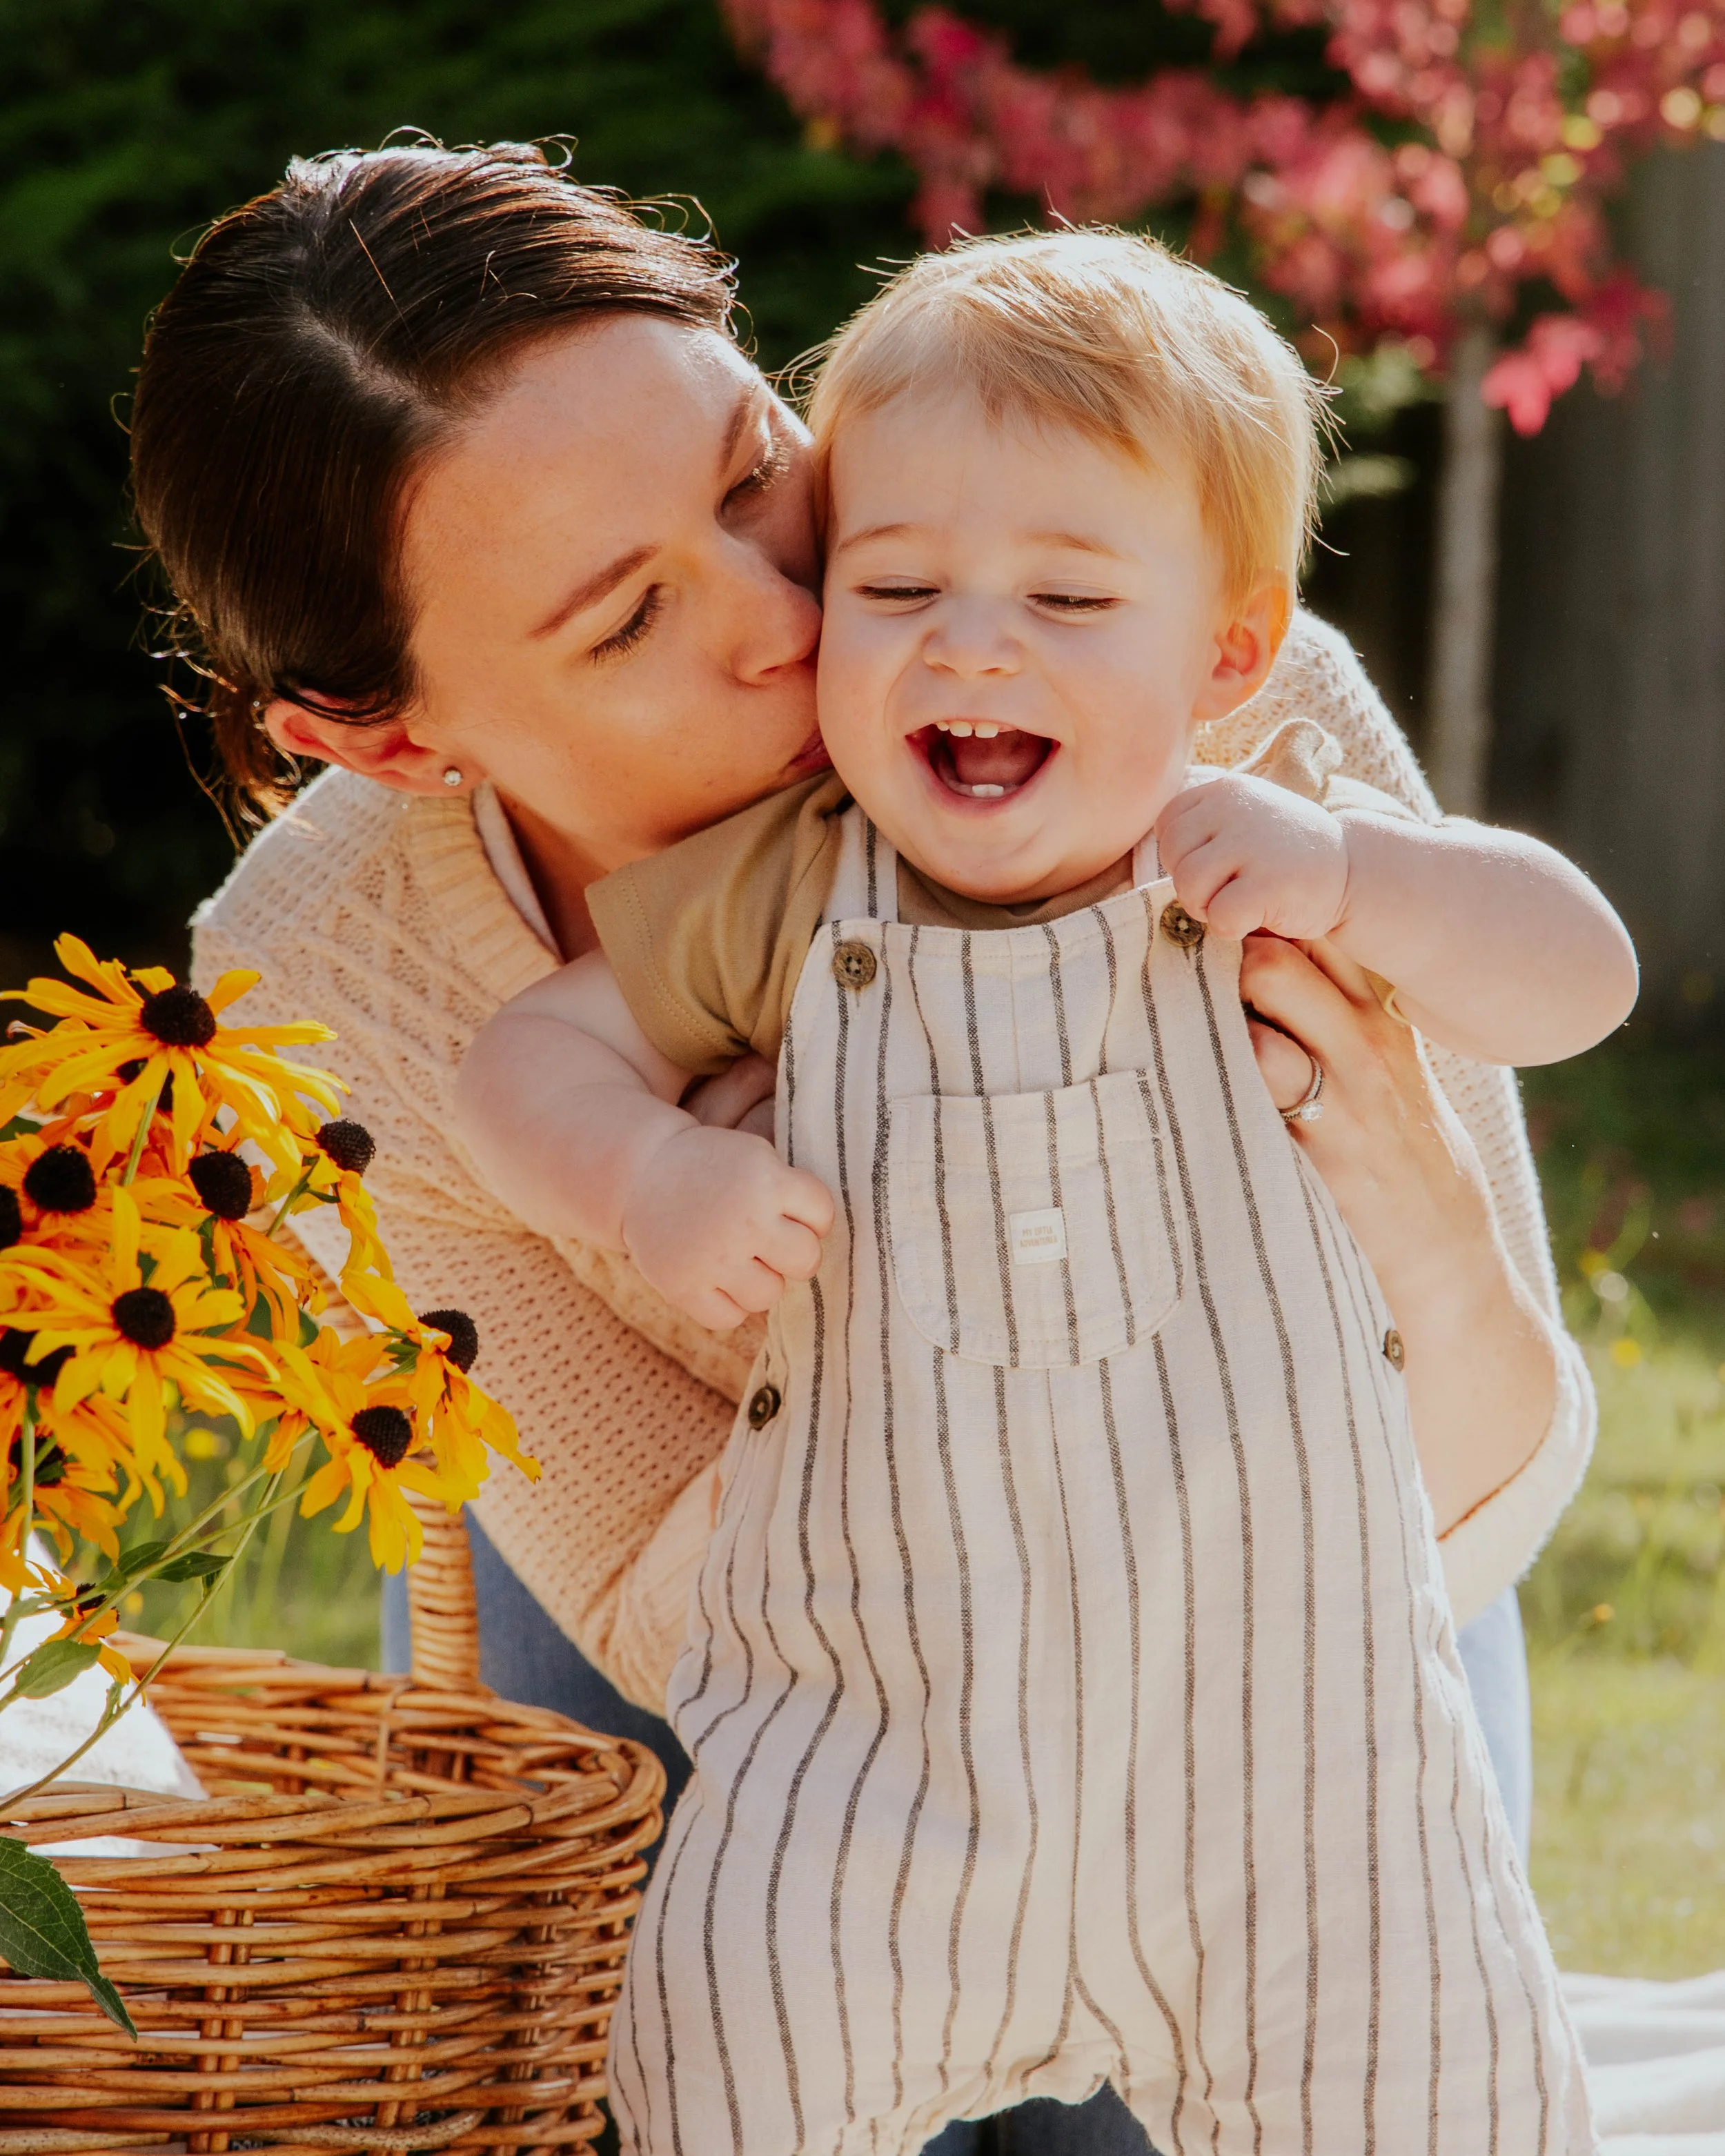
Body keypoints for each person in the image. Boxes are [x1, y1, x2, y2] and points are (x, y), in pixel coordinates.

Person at [128, 141, 1593, 2155]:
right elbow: (645, 1577)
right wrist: (818, 1219)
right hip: (746, 1623)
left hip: (1273, 1594)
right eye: (632, 612)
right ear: (383, 736)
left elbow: (1483, 1444)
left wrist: (1405, 1212)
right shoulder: (325, 981)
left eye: (751, 472)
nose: (792, 604)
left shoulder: (1215, 725)